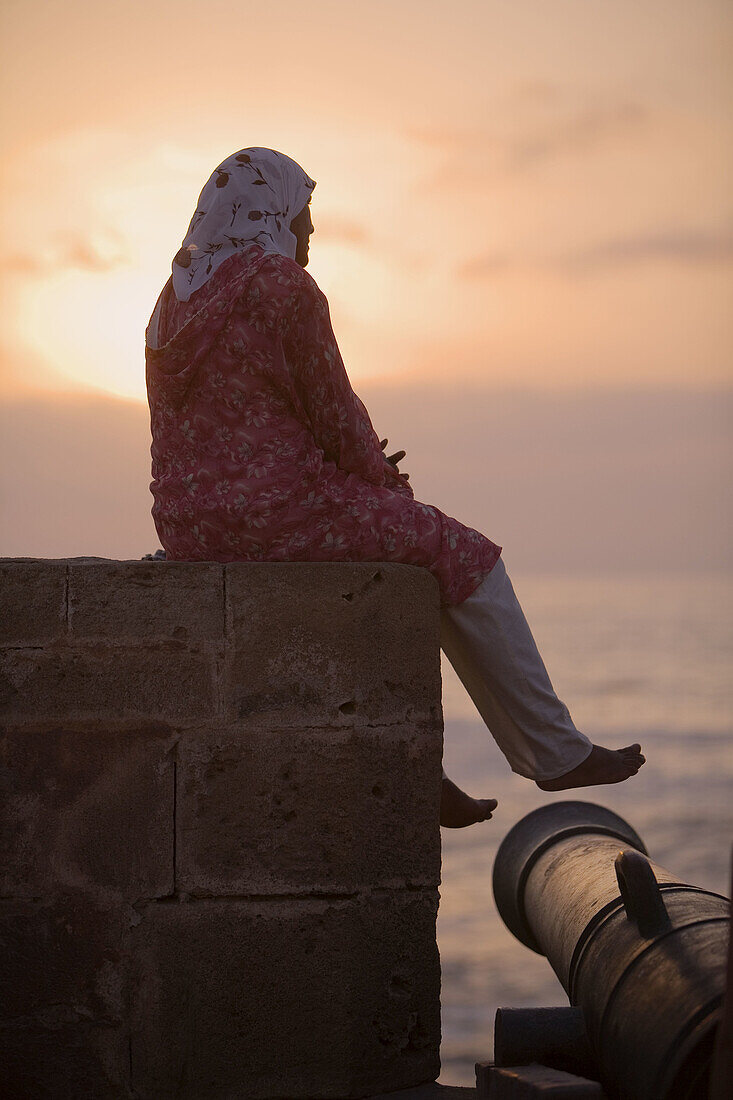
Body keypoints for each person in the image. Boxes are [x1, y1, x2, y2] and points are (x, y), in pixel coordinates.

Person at [145, 148, 645, 828]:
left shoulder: (174, 299)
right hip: (277, 514)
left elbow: (220, 420)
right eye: (305, 218)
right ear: (272, 211)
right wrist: (384, 480)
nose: (311, 236)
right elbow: (333, 411)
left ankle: (415, 767)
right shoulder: (283, 286)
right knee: (460, 552)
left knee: (387, 554)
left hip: (188, 525)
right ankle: (555, 754)